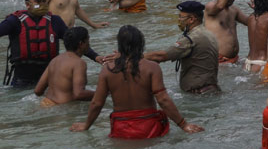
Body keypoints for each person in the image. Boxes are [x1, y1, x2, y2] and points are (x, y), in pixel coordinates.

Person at [70, 25, 204, 139]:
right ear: (141, 43)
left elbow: (97, 103)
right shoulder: (152, 67)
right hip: (149, 128)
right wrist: (183, 125)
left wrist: (86, 125)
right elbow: (163, 100)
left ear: (120, 46)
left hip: (121, 129)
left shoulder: (108, 70)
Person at [1, 0, 77, 86]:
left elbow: (75, 42)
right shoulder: (14, 21)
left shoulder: (55, 21)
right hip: (22, 80)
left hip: (49, 78)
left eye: (44, 0)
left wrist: (95, 57)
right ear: (27, 5)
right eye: (38, 1)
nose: (43, 4)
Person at [144, 0, 221, 95]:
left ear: (192, 19)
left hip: (197, 95)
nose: (179, 20)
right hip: (211, 90)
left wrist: (135, 57)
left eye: (181, 17)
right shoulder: (209, 34)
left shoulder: (191, 39)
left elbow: (161, 56)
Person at [34, 26, 93, 105]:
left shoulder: (55, 60)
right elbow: (79, 94)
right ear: (81, 44)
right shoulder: (78, 63)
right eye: (88, 40)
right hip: (61, 111)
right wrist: (104, 93)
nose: (89, 44)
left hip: (45, 104)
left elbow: (38, 91)